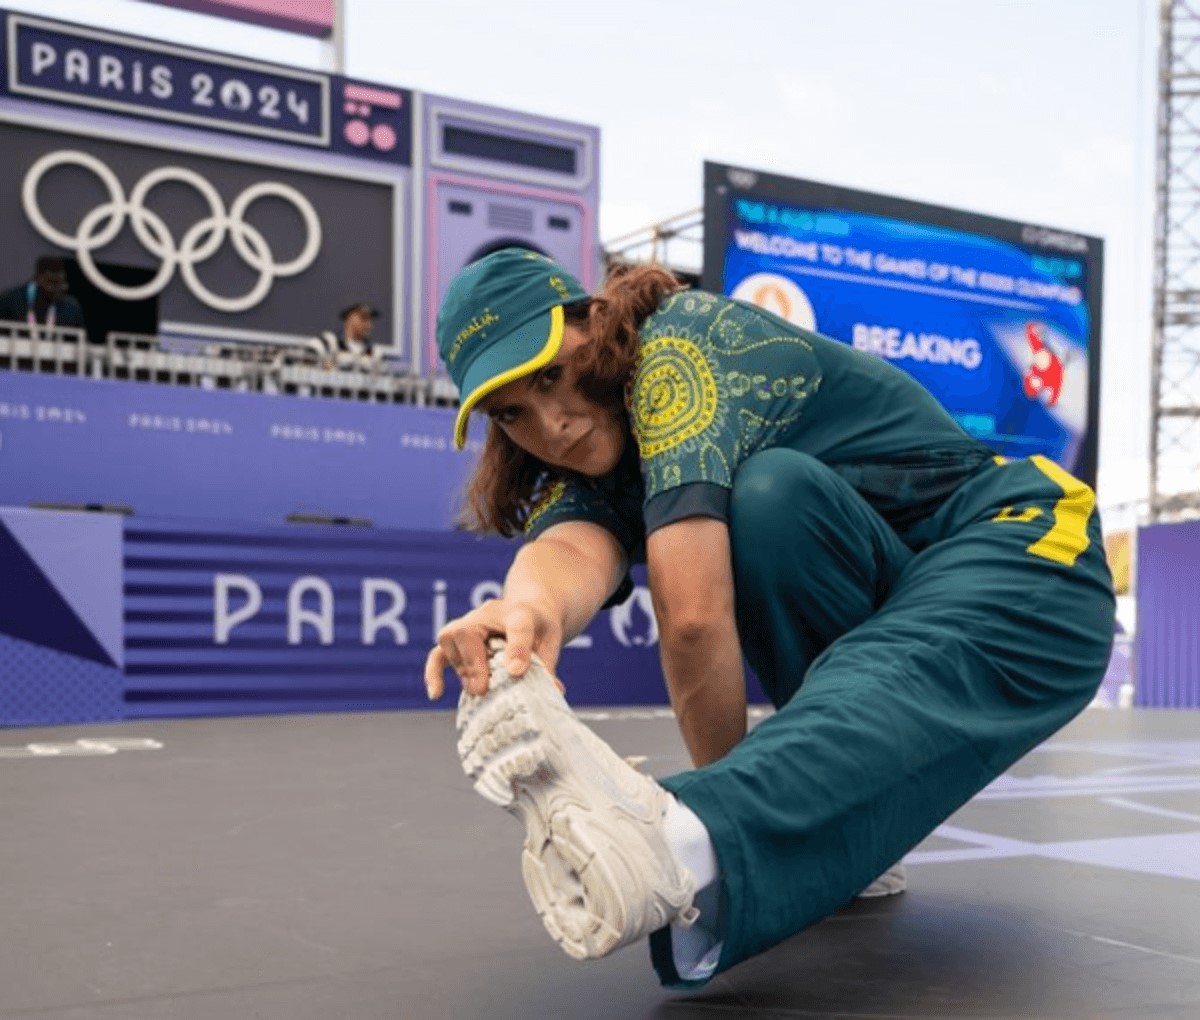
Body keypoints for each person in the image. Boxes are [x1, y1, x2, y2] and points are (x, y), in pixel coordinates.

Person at [423, 247, 1115, 988]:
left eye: (551, 374)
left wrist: (708, 825)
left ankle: (683, 842)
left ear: (594, 321)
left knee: (770, 496)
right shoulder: (596, 454)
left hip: (1021, 548)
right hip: (889, 597)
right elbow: (569, 547)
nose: (551, 425)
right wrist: (523, 611)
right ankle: (836, 832)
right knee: (774, 500)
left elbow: (692, 619)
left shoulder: (678, 347)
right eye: (511, 413)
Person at [0, 255, 86, 336]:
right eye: (52, 283)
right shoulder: (10, 300)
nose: (58, 288)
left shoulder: (71, 308)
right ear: (38, 280)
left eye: (62, 283)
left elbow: (81, 343)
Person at [311, 301, 379, 370]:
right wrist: (323, 367)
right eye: (363, 318)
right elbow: (306, 358)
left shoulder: (373, 351)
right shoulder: (329, 341)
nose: (368, 325)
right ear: (349, 317)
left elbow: (384, 375)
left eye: (370, 320)